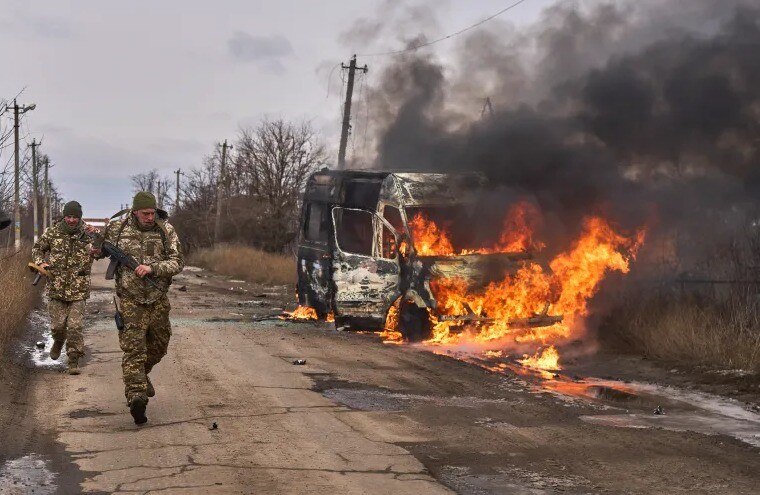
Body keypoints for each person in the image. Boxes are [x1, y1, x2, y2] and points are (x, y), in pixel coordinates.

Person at [96, 192, 184, 425]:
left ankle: (140, 377)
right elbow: (97, 251)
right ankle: (137, 397)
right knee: (134, 351)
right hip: (130, 300)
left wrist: (153, 268)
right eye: (145, 213)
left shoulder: (166, 230)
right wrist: (93, 242)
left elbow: (178, 262)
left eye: (152, 212)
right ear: (135, 211)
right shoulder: (117, 229)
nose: (149, 216)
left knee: (159, 346)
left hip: (157, 299)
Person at [31, 201, 96, 375]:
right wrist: (41, 262)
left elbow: (102, 249)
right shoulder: (53, 232)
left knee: (75, 327)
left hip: (78, 289)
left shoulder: (88, 234)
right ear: (64, 216)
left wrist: (97, 236)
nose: (72, 220)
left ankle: (73, 360)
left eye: (75, 217)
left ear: (80, 217)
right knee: (57, 326)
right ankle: (58, 341)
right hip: (56, 287)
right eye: (69, 216)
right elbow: (38, 248)